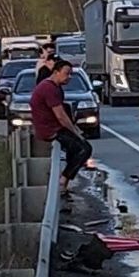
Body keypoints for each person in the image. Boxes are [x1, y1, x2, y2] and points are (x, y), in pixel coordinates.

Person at [30, 58, 93, 202]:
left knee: (74, 149)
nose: (69, 77)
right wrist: (76, 132)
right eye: (66, 73)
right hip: (50, 129)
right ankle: (63, 180)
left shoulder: (54, 87)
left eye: (71, 74)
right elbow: (61, 116)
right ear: (56, 72)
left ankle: (65, 180)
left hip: (53, 126)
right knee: (84, 148)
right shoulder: (49, 88)